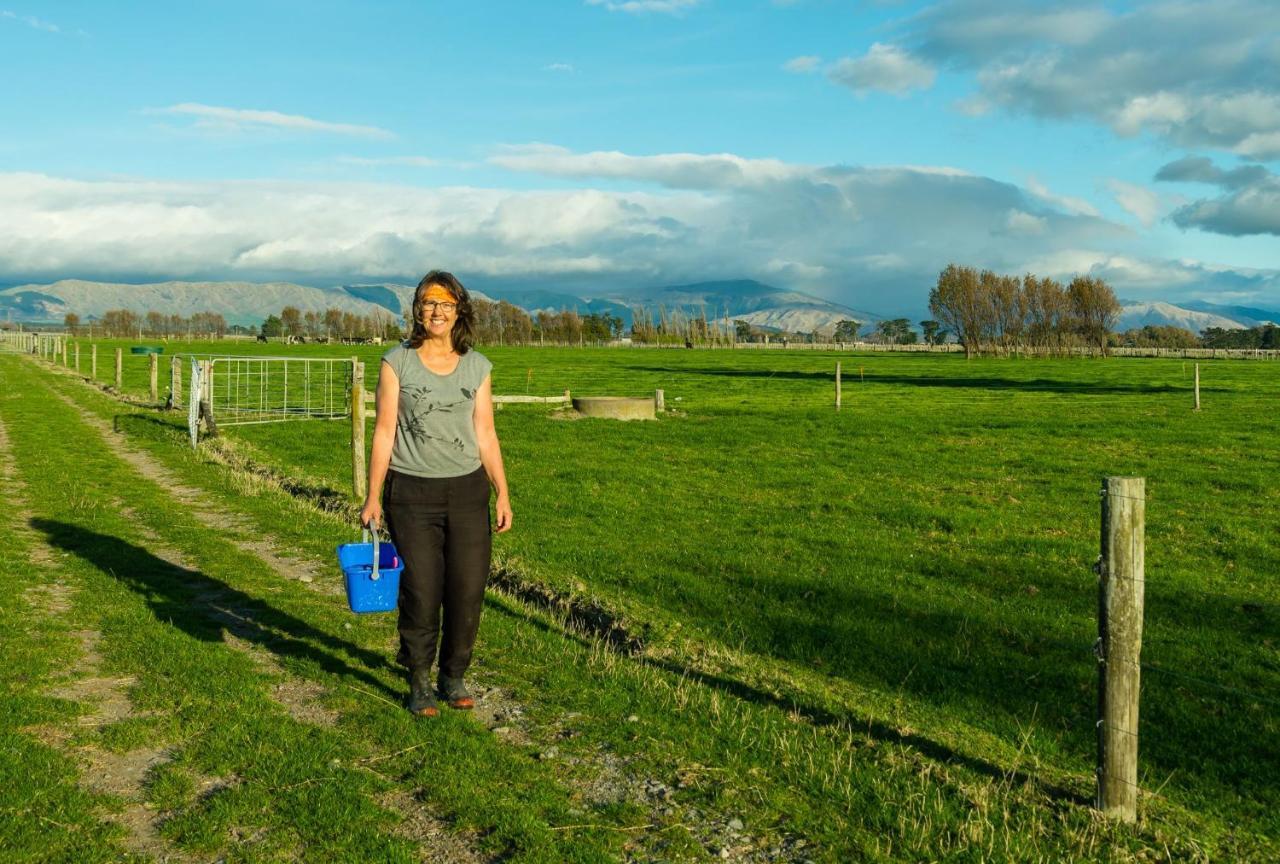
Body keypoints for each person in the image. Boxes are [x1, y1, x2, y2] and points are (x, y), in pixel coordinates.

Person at [360, 270, 513, 718]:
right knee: (422, 589)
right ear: (417, 310)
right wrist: (372, 496)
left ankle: (454, 675)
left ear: (459, 310)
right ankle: (420, 677)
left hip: (467, 493)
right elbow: (384, 431)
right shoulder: (397, 362)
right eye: (429, 303)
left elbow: (486, 433)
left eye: (446, 303)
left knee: (467, 588)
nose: (437, 311)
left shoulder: (477, 366)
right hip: (411, 493)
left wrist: (501, 492)